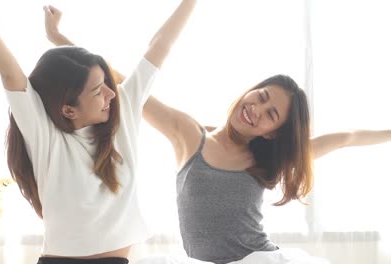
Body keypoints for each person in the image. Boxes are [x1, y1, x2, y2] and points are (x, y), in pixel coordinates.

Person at [44, 6, 391, 264]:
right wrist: (61, 41)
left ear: (273, 133)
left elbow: (347, 137)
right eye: (262, 96)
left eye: (271, 115)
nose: (257, 108)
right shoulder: (188, 134)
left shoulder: (267, 158)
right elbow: (124, 82)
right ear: (250, 91)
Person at [0, 0, 197, 263]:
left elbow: (160, 45)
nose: (110, 93)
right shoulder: (44, 134)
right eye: (98, 90)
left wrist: (56, 37)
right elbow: (7, 69)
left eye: (106, 83)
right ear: (68, 110)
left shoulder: (123, 111)